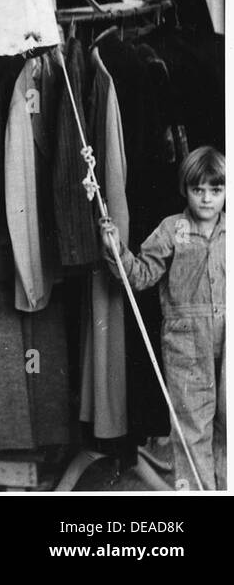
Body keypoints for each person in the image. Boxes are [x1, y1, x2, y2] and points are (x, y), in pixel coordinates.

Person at [100, 146, 226, 491]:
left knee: (229, 421)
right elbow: (140, 275)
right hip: (186, 344)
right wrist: (117, 251)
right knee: (192, 425)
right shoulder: (172, 229)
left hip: (229, 340)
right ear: (185, 189)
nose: (206, 199)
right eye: (198, 189)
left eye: (216, 190)